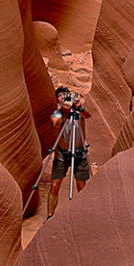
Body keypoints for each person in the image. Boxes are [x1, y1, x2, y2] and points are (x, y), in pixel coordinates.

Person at [47, 86, 91, 219]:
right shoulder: (57, 113)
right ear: (57, 100)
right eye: (60, 95)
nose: (63, 97)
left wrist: (78, 106)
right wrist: (64, 112)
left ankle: (83, 216)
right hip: (62, 154)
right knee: (55, 185)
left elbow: (88, 115)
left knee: (81, 186)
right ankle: (50, 216)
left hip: (79, 153)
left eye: (65, 94)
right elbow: (56, 124)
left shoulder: (78, 111)